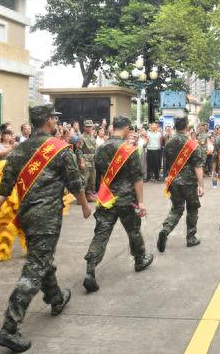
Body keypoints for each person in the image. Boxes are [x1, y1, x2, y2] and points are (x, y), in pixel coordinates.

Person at [0, 103, 92, 352]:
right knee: (34, 269)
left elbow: (5, 186)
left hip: (28, 216)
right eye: (55, 119)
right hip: (47, 220)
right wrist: (84, 206)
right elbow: (74, 182)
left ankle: (56, 298)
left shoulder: (19, 150)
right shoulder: (60, 149)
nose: (56, 123)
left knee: (42, 260)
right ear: (50, 122)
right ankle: (9, 328)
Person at [83, 116, 153, 292]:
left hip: (106, 198)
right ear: (128, 129)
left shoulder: (101, 148)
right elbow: (137, 178)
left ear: (113, 127)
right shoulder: (130, 150)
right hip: (126, 198)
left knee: (101, 232)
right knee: (133, 231)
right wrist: (141, 202)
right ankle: (140, 260)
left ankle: (90, 268)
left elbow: (99, 174)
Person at [157, 116, 204, 252]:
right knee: (192, 208)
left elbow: (166, 164)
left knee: (177, 208)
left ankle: (165, 230)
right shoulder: (192, 144)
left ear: (175, 126)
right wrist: (201, 185)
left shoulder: (169, 143)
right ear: (187, 127)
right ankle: (191, 237)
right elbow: (198, 166)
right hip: (189, 182)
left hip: (174, 181)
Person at [80, 120, 97, 202]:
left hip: (93, 160)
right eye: (87, 126)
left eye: (90, 126)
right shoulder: (81, 137)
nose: (89, 128)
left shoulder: (92, 136)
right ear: (84, 127)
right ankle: (81, 198)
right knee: (84, 179)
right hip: (85, 159)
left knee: (92, 179)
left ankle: (88, 195)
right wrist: (82, 161)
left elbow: (95, 148)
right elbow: (79, 151)